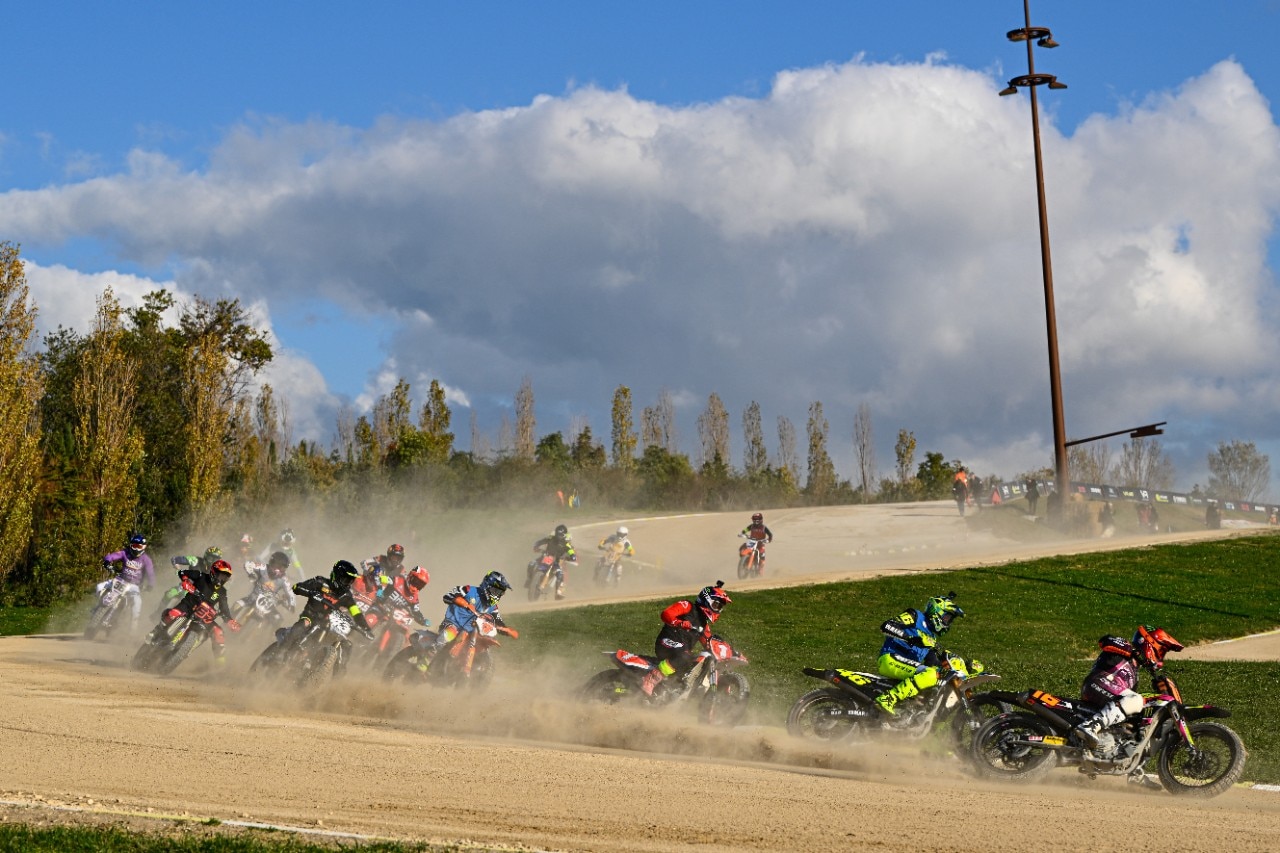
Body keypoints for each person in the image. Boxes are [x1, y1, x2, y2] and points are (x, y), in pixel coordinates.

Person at [1076, 626, 1184, 757]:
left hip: (1106, 697)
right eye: (1160, 652)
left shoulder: (1135, 675)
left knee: (1136, 714)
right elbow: (1104, 641)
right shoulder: (1125, 647)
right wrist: (1133, 651)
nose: (1160, 658)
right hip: (1097, 683)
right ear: (1149, 644)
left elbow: (1124, 707)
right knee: (1136, 699)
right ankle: (1090, 726)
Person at [872, 593, 964, 716]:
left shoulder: (931, 638)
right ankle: (888, 699)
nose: (948, 623)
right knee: (931, 674)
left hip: (905, 667)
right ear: (937, 611)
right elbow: (887, 626)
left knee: (935, 674)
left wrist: (948, 668)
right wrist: (912, 638)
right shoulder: (915, 616)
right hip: (890, 659)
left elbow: (932, 662)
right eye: (947, 618)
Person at [415, 571, 516, 676]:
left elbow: (498, 621)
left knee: (482, 641)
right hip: (453, 624)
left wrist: (507, 630)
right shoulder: (469, 590)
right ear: (487, 585)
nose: (497, 595)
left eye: (500, 593)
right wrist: (464, 603)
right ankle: (423, 664)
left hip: (472, 631)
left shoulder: (493, 607)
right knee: (448, 635)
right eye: (495, 591)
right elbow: (447, 596)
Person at [143, 558, 241, 663]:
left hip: (204, 616)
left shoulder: (222, 591)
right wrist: (186, 581)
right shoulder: (201, 576)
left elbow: (224, 607)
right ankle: (156, 631)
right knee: (172, 614)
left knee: (218, 632)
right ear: (214, 572)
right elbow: (182, 572)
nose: (222, 579)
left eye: (225, 577)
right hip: (188, 606)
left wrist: (230, 620)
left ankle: (220, 664)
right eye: (221, 575)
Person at [642, 581, 732, 695]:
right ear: (706, 600)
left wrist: (723, 652)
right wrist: (679, 623)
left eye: (720, 608)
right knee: (684, 656)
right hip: (666, 642)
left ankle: (677, 689)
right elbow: (666, 614)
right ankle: (651, 679)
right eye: (716, 605)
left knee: (698, 660)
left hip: (682, 650)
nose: (717, 610)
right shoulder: (687, 606)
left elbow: (709, 643)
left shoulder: (704, 625)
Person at [280, 559, 376, 650]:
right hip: (311, 616)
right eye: (346, 580)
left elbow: (356, 613)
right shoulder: (320, 582)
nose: (348, 584)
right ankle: (281, 651)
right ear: (337, 576)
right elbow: (297, 587)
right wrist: (312, 593)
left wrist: (366, 629)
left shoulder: (346, 596)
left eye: (350, 581)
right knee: (303, 624)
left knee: (347, 644)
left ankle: (339, 666)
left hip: (329, 622)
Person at [99, 532, 156, 631]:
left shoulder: (146, 559)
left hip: (134, 585)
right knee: (99, 587)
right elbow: (113, 556)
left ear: (144, 547)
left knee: (137, 603)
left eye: (139, 546)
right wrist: (107, 561)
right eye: (134, 546)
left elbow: (151, 573)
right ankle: (97, 609)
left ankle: (132, 630)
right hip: (120, 580)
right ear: (131, 545)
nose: (136, 549)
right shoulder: (125, 553)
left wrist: (151, 585)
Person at [235, 550, 295, 617]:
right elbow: (248, 564)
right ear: (272, 562)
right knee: (237, 605)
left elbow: (290, 594)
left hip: (268, 607)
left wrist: (291, 605)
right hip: (252, 598)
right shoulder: (263, 567)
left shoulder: (284, 580)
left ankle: (264, 627)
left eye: (282, 568)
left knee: (277, 619)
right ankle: (227, 621)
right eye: (277, 566)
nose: (278, 570)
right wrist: (251, 574)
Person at [530, 524, 577, 599]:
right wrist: (536, 546)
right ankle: (530, 581)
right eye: (557, 534)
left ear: (564, 535)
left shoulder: (566, 544)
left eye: (560, 535)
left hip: (556, 562)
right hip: (547, 558)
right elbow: (540, 541)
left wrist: (572, 557)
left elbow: (572, 553)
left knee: (560, 573)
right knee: (532, 564)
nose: (559, 536)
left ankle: (558, 593)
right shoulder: (550, 538)